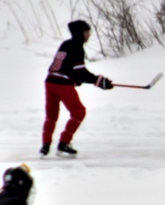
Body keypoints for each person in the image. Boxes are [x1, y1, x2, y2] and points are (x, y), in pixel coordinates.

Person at [41, 20, 113, 157]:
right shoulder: (77, 47)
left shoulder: (66, 44)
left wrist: (76, 79)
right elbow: (80, 72)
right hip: (62, 84)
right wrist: (99, 81)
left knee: (51, 116)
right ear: (80, 33)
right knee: (79, 112)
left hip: (50, 82)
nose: (89, 35)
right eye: (87, 32)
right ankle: (64, 143)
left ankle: (45, 145)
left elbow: (66, 67)